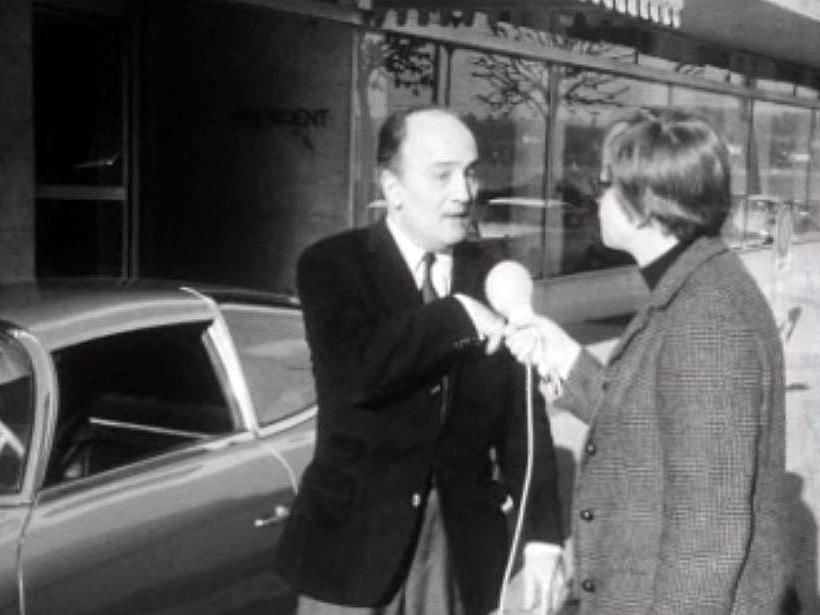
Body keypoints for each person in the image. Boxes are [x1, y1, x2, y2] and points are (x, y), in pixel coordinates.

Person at [275, 107, 565, 615]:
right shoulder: (331, 265)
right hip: (352, 556)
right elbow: (358, 375)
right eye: (443, 174)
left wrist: (542, 537)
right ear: (394, 187)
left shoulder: (496, 275)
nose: (465, 192)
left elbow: (523, 423)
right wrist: (456, 316)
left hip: (459, 554)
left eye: (471, 172)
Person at [506, 109, 791, 614]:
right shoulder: (697, 285)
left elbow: (707, 535)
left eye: (606, 185)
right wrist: (566, 357)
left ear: (646, 204)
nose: (596, 198)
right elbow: (651, 423)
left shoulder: (707, 317)